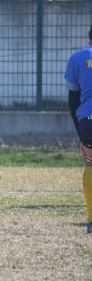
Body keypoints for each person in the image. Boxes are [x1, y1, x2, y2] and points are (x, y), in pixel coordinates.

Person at [64, 25, 92, 234]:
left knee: (90, 164)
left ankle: (91, 220)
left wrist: (80, 133)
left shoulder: (78, 58)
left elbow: (73, 99)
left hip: (88, 119)